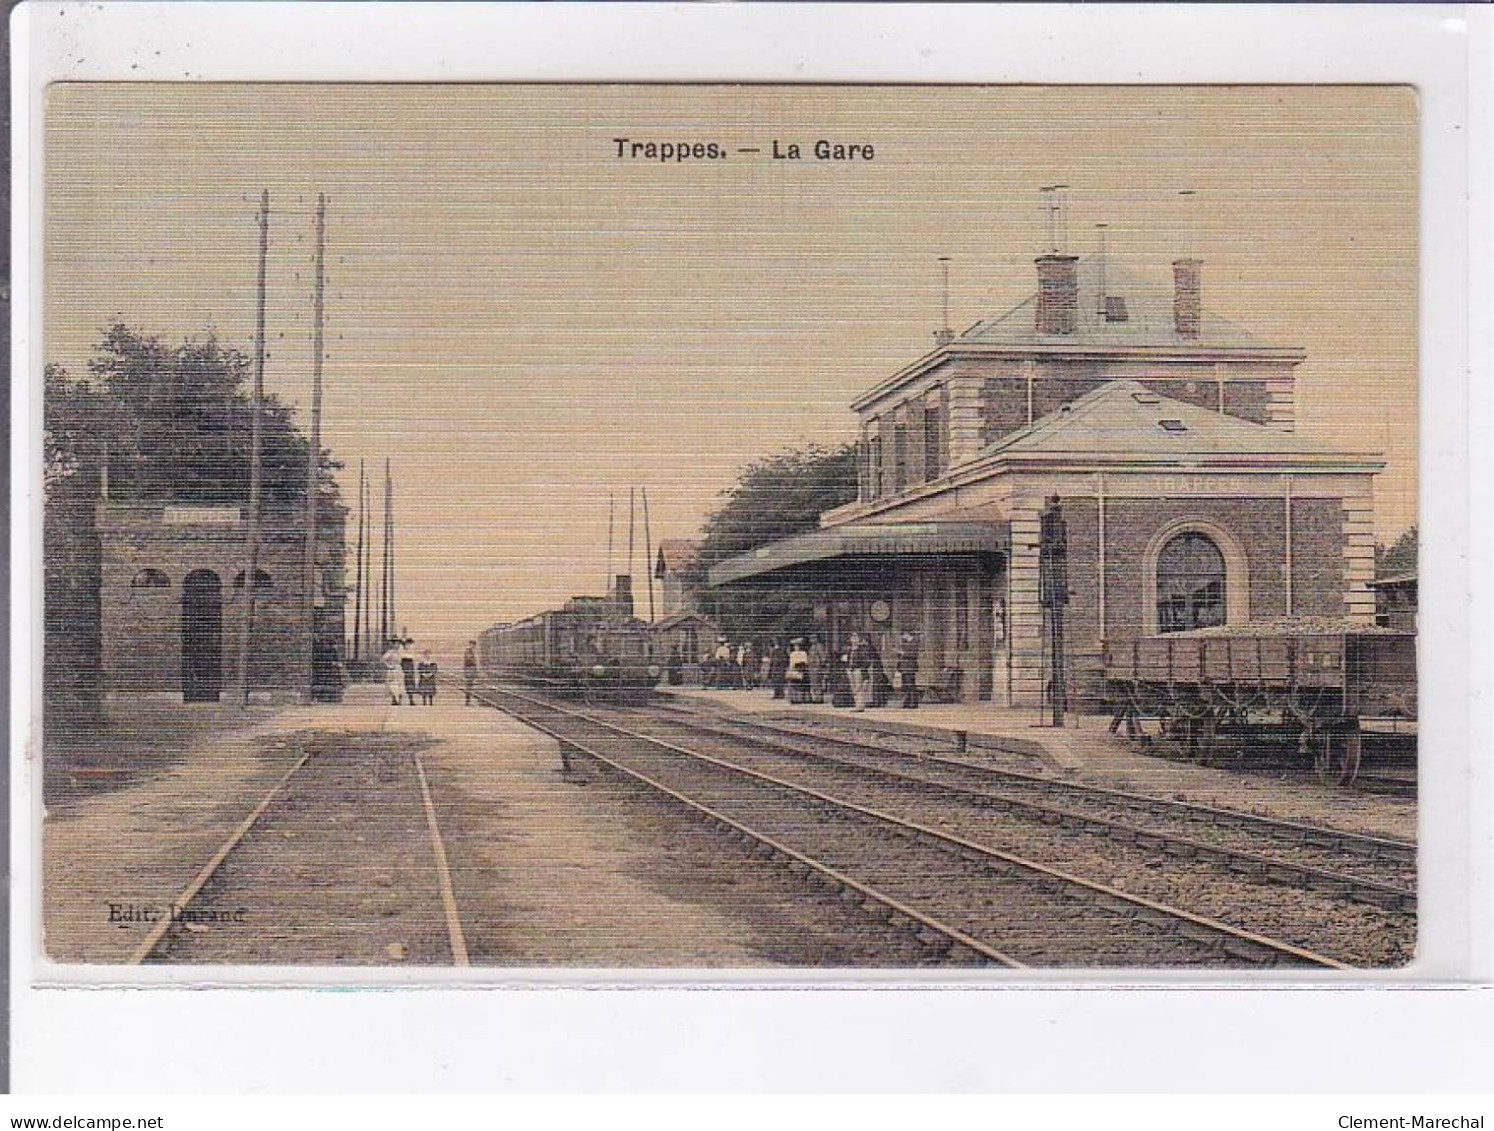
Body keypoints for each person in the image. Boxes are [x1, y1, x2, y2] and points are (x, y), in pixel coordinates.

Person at [847, 633, 872, 712]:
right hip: (851, 670)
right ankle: (857, 704)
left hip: (858, 670)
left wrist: (861, 668)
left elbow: (867, 662)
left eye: (855, 637)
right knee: (853, 688)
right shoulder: (850, 650)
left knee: (859, 688)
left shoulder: (862, 650)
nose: (853, 639)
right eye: (852, 637)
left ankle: (860, 706)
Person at [895, 632, 920, 709]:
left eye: (903, 635)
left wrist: (903, 653)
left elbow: (913, 654)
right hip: (904, 667)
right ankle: (907, 702)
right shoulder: (904, 643)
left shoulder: (914, 642)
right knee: (905, 685)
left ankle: (913, 702)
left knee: (910, 685)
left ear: (907, 634)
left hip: (910, 666)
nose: (903, 637)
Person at [867, 635, 891, 708]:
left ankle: (877, 701)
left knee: (876, 686)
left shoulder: (869, 649)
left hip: (875, 669)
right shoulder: (871, 648)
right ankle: (878, 701)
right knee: (876, 686)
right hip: (876, 669)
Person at [381, 640, 405, 706]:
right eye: (395, 644)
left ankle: (399, 699)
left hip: (399, 669)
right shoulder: (390, 652)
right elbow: (383, 659)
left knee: (400, 685)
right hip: (392, 670)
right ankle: (394, 699)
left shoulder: (400, 651)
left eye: (398, 644)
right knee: (392, 685)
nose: (397, 645)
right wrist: (388, 665)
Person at [786, 638, 810, 704]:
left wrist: (799, 666)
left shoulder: (803, 653)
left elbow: (805, 662)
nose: (796, 647)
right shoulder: (792, 654)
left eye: (797, 646)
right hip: (793, 670)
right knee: (792, 685)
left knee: (799, 685)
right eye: (795, 646)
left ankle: (799, 698)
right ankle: (793, 698)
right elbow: (791, 662)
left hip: (800, 670)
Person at [808, 636, 828, 704]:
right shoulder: (811, 647)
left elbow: (823, 657)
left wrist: (822, 665)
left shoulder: (819, 646)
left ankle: (819, 698)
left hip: (817, 667)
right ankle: (816, 697)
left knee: (818, 683)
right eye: (811, 638)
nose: (812, 640)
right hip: (812, 667)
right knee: (813, 683)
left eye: (813, 638)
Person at [400, 638, 418, 706]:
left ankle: (411, 700)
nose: (408, 646)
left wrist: (413, 670)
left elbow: (413, 662)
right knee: (401, 685)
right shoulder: (401, 652)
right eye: (406, 644)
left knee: (410, 685)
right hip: (403, 669)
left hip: (410, 670)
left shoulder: (411, 652)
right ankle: (398, 700)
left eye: (409, 644)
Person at [462, 640, 479, 706]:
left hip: (470, 669)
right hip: (469, 669)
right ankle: (467, 701)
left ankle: (468, 701)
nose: (474, 646)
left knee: (470, 686)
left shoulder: (470, 651)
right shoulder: (468, 651)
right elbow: (469, 660)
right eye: (473, 645)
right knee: (469, 686)